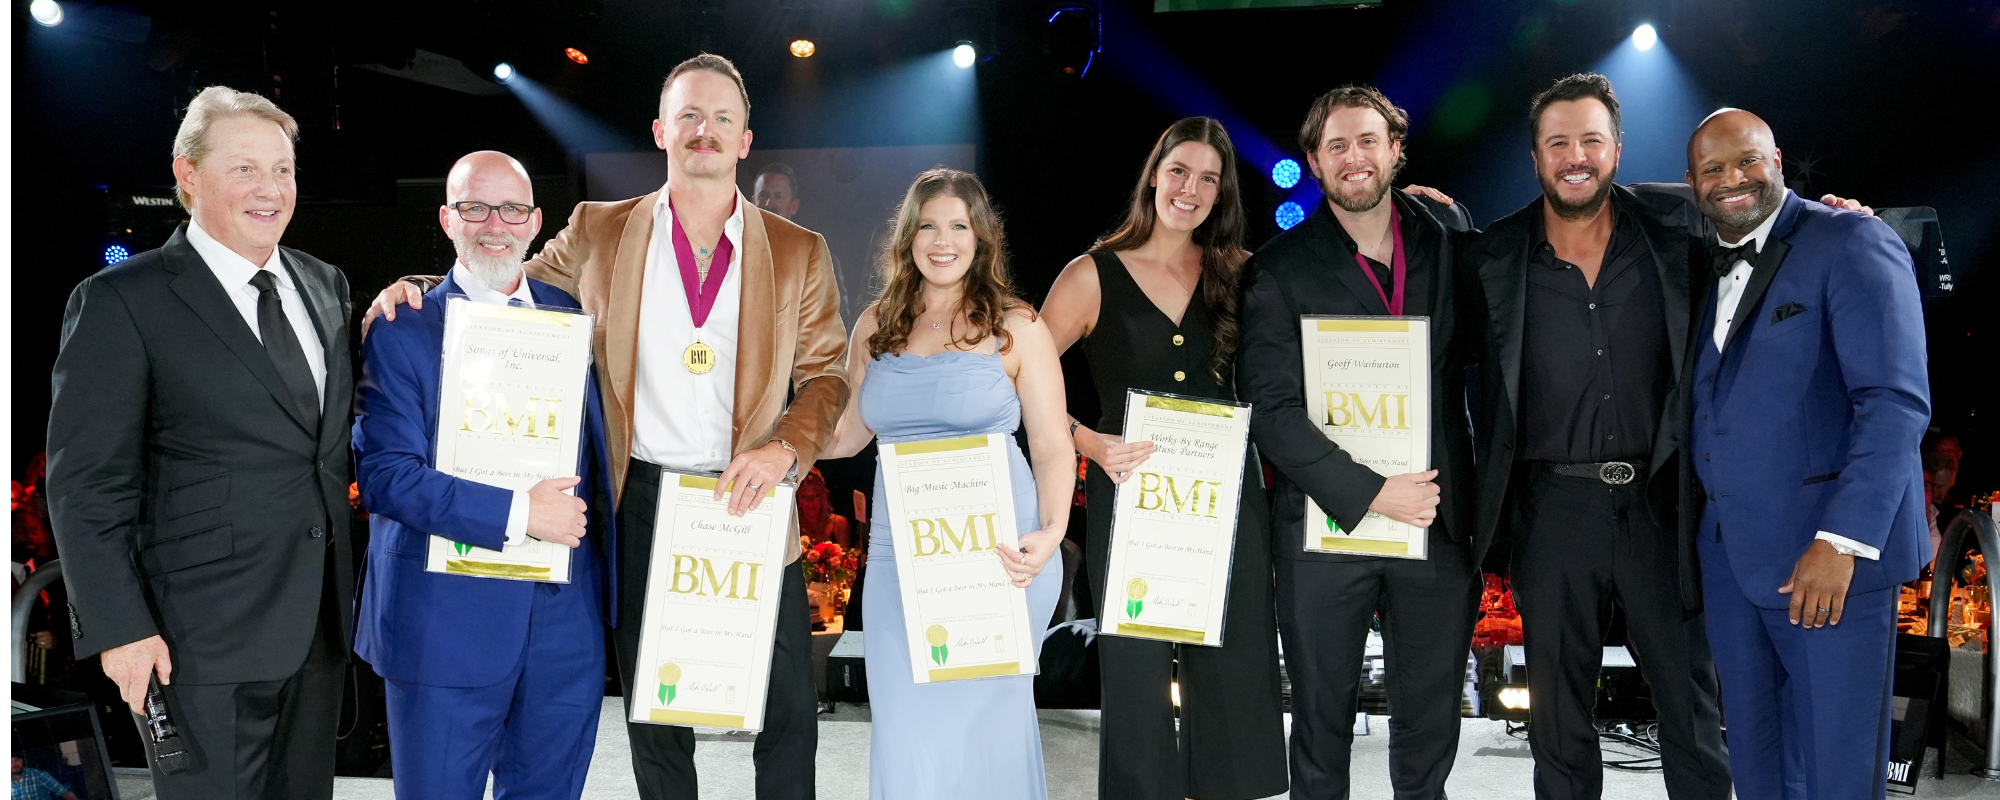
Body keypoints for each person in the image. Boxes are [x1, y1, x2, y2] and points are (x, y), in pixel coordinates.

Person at [366, 53, 847, 800]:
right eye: (688, 115)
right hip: (639, 499)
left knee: (784, 708)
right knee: (658, 715)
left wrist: (786, 448)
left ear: (746, 139)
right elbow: (503, 275)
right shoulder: (599, 229)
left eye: (722, 118)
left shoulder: (797, 251)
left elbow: (828, 376)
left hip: (750, 497)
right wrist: (424, 287)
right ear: (661, 130)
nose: (704, 131)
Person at [47, 86, 354, 800]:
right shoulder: (123, 300)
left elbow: (324, 441)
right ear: (188, 175)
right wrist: (120, 630)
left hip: (318, 632)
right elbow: (86, 483)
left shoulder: (324, 284)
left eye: (283, 170)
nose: (270, 189)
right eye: (244, 168)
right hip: (196, 644)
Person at [1457, 73, 1732, 800]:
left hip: (1661, 503)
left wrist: (1836, 214)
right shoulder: (1491, 258)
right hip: (1551, 510)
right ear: (1536, 156)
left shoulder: (1679, 237)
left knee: (1692, 705)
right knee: (1557, 715)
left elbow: (1763, 227)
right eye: (1558, 143)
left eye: (1590, 140)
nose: (1574, 156)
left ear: (1616, 148)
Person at [1235, 85, 1482, 800]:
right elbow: (1271, 410)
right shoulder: (1277, 269)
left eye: (1368, 141)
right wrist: (1373, 493)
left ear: (1396, 150)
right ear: (1314, 161)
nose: (1355, 157)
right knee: (1320, 718)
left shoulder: (1451, 244)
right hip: (1324, 528)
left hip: (1436, 519)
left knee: (1431, 718)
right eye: (1336, 145)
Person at [352, 151, 615, 799]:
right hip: (444, 622)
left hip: (563, 626)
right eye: (474, 207)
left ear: (535, 222)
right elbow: (384, 476)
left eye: (511, 209)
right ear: (447, 219)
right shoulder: (402, 325)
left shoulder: (570, 319)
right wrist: (520, 514)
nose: (493, 223)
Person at [1038, 116, 1288, 800]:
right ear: (1154, 172)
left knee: (1234, 665)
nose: (1191, 188)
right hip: (1130, 499)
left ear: (1221, 194)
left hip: (1227, 500)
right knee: (1137, 674)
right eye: (1180, 170)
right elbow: (1013, 379)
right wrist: (1087, 442)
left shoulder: (1237, 271)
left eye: (1209, 179)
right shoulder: (1091, 274)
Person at [1685, 108, 1929, 800]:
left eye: (1748, 162)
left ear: (1779, 161)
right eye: (1713, 169)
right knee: (1760, 774)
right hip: (1731, 565)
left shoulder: (1851, 240)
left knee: (1839, 778)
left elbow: (1894, 401)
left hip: (1827, 567)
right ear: (1692, 182)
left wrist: (1842, 541)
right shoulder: (1703, 259)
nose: (1732, 179)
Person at [820, 168, 1070, 799]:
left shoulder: (1019, 326)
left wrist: (1053, 532)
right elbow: (847, 434)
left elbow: (1049, 445)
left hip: (1001, 554)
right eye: (928, 225)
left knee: (987, 729)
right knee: (906, 726)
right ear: (907, 237)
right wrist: (769, 443)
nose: (942, 240)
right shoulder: (876, 325)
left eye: (959, 225)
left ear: (982, 238)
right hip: (898, 559)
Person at [11, 756, 81, 800]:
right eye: (10, 761)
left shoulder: (38, 775)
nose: (14, 764)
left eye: (17, 760)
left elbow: (63, 792)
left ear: (22, 761)